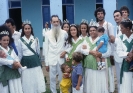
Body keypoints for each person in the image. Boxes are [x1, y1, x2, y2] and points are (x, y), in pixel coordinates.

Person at [83, 22, 114, 93]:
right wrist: (91, 52)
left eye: (94, 30)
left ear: (97, 31)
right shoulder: (86, 39)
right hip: (90, 65)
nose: (92, 32)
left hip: (102, 65)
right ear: (88, 32)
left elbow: (109, 51)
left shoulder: (103, 38)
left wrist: (101, 55)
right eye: (90, 30)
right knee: (92, 80)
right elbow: (82, 50)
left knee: (101, 80)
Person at [17, 20, 46, 93]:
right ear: (23, 30)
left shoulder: (35, 39)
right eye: (25, 29)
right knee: (27, 79)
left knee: (36, 78)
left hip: (35, 61)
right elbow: (20, 54)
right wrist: (18, 63)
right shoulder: (20, 40)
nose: (27, 30)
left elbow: (38, 52)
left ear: (31, 29)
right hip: (25, 62)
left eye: (28, 28)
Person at [45, 15, 68, 93]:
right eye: (54, 22)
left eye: (57, 21)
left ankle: (62, 91)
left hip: (61, 59)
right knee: (52, 79)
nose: (56, 23)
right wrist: (46, 63)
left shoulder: (64, 33)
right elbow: (45, 49)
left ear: (59, 22)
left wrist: (65, 52)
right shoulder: (47, 34)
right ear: (51, 22)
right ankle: (53, 91)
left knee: (62, 77)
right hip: (51, 59)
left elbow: (68, 45)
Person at [0, 25, 23, 93]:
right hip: (5, 72)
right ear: (0, 41)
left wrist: (17, 62)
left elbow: (16, 57)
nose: (6, 42)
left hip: (14, 71)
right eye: (4, 40)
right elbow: (1, 60)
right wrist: (12, 62)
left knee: (15, 87)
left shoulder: (11, 48)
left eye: (7, 40)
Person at [116, 19, 133, 93]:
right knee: (127, 83)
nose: (120, 29)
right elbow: (119, 52)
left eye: (122, 28)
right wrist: (128, 54)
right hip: (127, 64)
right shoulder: (120, 38)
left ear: (128, 28)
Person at [110, 10, 123, 93]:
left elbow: (124, 40)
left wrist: (115, 39)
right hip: (117, 57)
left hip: (124, 56)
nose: (116, 18)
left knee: (124, 77)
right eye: (114, 16)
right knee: (118, 77)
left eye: (117, 15)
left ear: (121, 16)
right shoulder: (117, 27)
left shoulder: (126, 26)